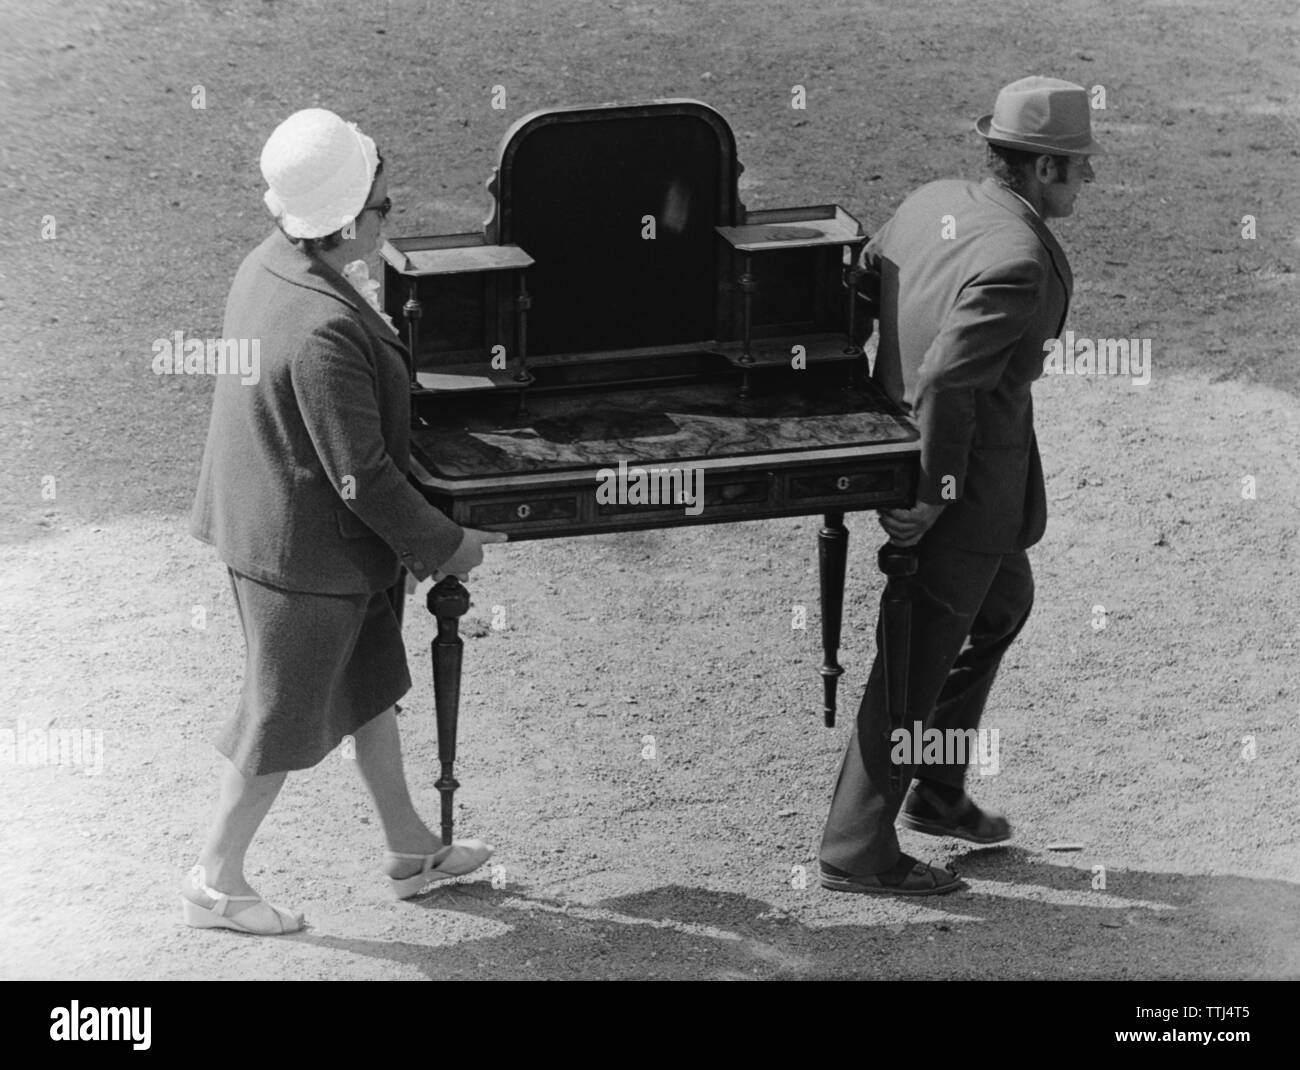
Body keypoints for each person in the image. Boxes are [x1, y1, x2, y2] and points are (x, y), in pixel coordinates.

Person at [183, 108, 508, 933]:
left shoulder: (274, 266)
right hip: (303, 554)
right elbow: (361, 477)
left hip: (285, 530)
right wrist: (448, 546)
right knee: (281, 719)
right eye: (384, 207)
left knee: (370, 687)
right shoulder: (325, 328)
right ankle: (215, 882)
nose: (391, 217)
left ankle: (408, 847)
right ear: (346, 221)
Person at [819, 77, 1102, 895]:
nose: (1087, 182)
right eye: (1079, 168)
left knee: (1000, 606)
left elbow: (861, 285)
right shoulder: (1018, 259)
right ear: (1044, 167)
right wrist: (931, 491)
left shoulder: (933, 201)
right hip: (961, 486)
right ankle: (855, 849)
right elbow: (949, 379)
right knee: (914, 658)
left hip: (939, 469)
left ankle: (936, 789)